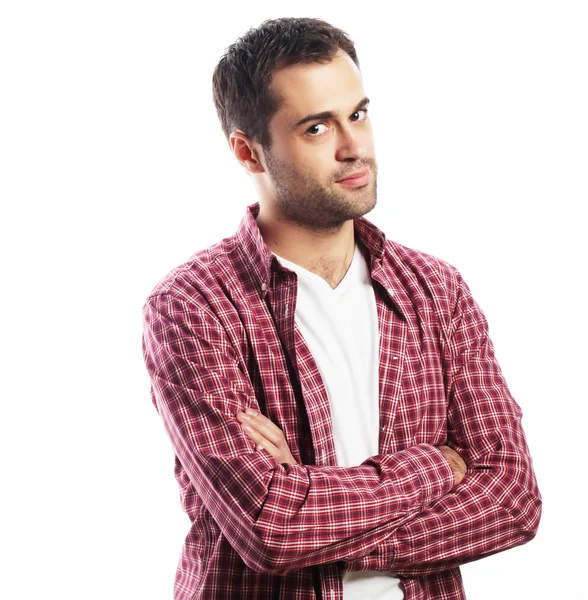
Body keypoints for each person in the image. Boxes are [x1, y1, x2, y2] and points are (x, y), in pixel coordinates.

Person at [142, 17, 541, 600]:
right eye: (316, 127)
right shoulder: (194, 306)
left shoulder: (436, 292)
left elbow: (513, 500)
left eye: (357, 114)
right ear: (248, 152)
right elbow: (269, 528)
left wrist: (310, 497)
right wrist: (438, 467)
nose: (354, 147)